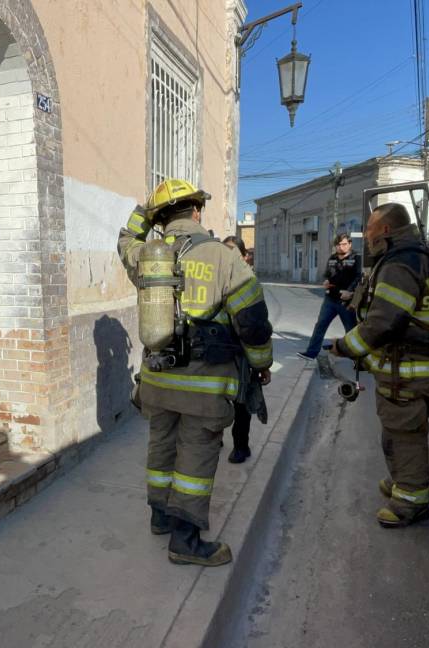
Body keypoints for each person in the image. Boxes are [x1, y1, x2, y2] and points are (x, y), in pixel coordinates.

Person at [118, 179, 273, 566]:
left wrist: (144, 210)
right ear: (197, 212)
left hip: (156, 380)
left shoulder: (147, 255)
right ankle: (185, 541)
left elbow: (124, 239)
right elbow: (252, 322)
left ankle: (160, 517)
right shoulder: (224, 258)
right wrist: (261, 363)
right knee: (196, 458)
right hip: (203, 385)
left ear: (159, 219)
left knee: (161, 447)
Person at [329, 203, 429, 528]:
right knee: (397, 431)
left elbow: (383, 323)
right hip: (412, 368)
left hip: (407, 371)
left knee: (404, 435)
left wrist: (345, 347)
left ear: (384, 229)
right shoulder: (414, 255)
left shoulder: (400, 263)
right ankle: (401, 481)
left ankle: (411, 501)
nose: (364, 235)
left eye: (369, 227)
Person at [221, 235, 259, 464]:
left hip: (243, 354)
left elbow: (259, 329)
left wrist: (262, 364)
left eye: (234, 252)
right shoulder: (216, 279)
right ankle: (215, 438)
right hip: (219, 351)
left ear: (245, 257)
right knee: (216, 399)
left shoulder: (249, 283)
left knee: (241, 402)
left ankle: (241, 446)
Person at [297, 233, 361, 360]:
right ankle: (311, 353)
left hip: (346, 301)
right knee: (320, 325)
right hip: (330, 300)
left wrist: (350, 291)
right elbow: (326, 274)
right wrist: (326, 281)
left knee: (351, 329)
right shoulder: (332, 258)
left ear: (349, 244)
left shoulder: (356, 258)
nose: (341, 247)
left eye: (344, 244)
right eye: (338, 245)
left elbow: (358, 277)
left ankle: (358, 358)